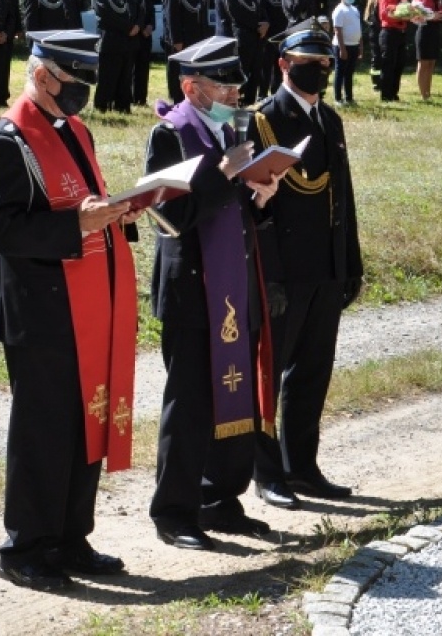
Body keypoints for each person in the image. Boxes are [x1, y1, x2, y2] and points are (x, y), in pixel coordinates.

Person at [0, 29, 147, 591]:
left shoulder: (74, 129)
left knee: (84, 423)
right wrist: (77, 225)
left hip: (86, 301)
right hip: (39, 310)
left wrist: (116, 213)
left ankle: (71, 538)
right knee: (42, 432)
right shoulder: (10, 139)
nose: (81, 93)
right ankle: (25, 547)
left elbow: (84, 201)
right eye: (74, 81)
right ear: (42, 75)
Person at [146, 36, 283, 551]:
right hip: (192, 289)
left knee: (234, 391)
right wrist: (223, 174)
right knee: (190, 405)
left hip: (234, 283)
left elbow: (234, 208)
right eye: (223, 87)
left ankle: (220, 499)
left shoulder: (230, 130)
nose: (234, 95)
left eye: (236, 87)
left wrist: (261, 196)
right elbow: (168, 216)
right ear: (191, 88)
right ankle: (174, 512)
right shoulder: (170, 135)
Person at [248, 22, 364, 510]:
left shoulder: (329, 120)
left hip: (325, 268)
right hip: (284, 272)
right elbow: (257, 210)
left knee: (313, 371)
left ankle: (302, 465)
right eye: (307, 63)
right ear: (283, 65)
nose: (317, 70)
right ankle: (266, 472)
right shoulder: (262, 122)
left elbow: (343, 197)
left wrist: (350, 262)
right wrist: (269, 276)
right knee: (269, 374)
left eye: (324, 63)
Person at [215, 0, 267, 104]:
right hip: (242, 37)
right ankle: (236, 100)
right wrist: (258, 26)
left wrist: (265, 23)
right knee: (241, 71)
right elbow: (237, 15)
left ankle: (250, 100)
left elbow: (259, 9)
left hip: (256, 37)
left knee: (255, 71)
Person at [161, 0, 211, 103]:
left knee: (195, 71)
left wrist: (204, 38)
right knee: (177, 71)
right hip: (180, 38)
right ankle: (177, 99)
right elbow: (171, 17)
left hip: (197, 37)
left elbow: (202, 16)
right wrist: (176, 40)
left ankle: (193, 98)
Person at [90, 0, 136, 113]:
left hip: (127, 39)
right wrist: (128, 27)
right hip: (111, 38)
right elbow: (105, 15)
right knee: (108, 75)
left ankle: (122, 106)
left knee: (125, 75)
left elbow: (136, 8)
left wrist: (137, 25)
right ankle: (103, 105)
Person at [251, 0, 291, 99]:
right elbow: (259, 8)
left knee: (280, 65)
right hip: (267, 33)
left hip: (283, 32)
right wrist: (263, 24)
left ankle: (276, 93)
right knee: (265, 66)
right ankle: (262, 94)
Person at [122, 0, 154, 106]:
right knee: (130, 66)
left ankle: (141, 98)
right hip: (133, 31)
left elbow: (150, 8)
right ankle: (129, 97)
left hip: (146, 32)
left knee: (143, 65)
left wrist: (150, 25)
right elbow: (130, 9)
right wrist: (140, 26)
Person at [376, 0, 411, 102]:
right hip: (389, 33)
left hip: (401, 32)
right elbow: (384, 15)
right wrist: (400, 16)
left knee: (399, 64)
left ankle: (394, 93)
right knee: (388, 64)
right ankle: (386, 95)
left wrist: (412, 15)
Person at [330, 0, 362, 105]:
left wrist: (360, 46)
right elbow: (337, 30)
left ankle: (349, 97)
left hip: (354, 45)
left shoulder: (354, 9)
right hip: (342, 46)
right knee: (340, 72)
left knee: (349, 72)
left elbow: (358, 28)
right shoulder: (339, 10)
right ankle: (338, 98)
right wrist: (342, 49)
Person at [363, 0, 388, 93]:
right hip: (376, 31)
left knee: (383, 56)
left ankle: (382, 80)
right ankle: (376, 82)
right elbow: (373, 18)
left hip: (382, 30)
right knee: (377, 56)